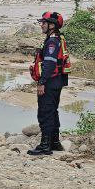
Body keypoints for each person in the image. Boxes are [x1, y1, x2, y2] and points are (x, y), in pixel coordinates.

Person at [28, 11, 71, 156]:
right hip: (56, 81)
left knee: (45, 113)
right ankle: (55, 142)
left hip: (51, 82)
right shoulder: (57, 38)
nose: (41, 25)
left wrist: (42, 82)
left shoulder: (52, 41)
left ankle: (45, 146)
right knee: (53, 112)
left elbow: (50, 64)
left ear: (52, 25)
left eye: (44, 23)